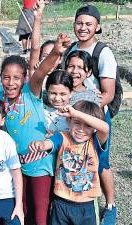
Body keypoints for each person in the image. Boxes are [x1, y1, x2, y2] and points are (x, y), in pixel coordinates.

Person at [0, 33, 70, 225]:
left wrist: (56, 52)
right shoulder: (0, 99)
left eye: (17, 78)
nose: (11, 82)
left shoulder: (30, 92)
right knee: (22, 211)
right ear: (0, 78)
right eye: (6, 77)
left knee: (40, 214)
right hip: (18, 166)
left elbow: (41, 71)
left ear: (25, 78)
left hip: (40, 165)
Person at [68, 6, 117, 223]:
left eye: (89, 24)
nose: (83, 28)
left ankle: (110, 205)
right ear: (74, 24)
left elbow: (108, 93)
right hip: (72, 116)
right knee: (76, 158)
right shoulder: (70, 49)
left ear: (97, 26)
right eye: (79, 23)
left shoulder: (102, 52)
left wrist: (87, 111)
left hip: (96, 118)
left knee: (100, 162)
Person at [28, 101, 109, 225]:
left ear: (94, 128)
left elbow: (105, 127)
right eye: (77, 123)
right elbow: (48, 143)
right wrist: (41, 145)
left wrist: (76, 113)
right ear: (68, 121)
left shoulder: (96, 142)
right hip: (61, 203)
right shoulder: (62, 137)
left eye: (87, 126)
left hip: (87, 205)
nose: (81, 130)